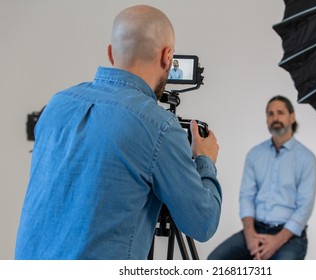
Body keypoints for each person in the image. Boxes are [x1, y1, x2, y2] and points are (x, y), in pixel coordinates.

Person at [15, 5, 222, 260]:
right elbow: (202, 224)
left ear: (111, 53)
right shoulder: (158, 125)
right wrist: (205, 160)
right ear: (167, 56)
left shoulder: (57, 104)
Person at [208, 95, 316, 260]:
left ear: (292, 117)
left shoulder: (306, 159)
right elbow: (246, 196)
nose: (275, 118)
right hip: (254, 229)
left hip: (289, 235)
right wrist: (250, 235)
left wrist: (277, 241)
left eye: (280, 112)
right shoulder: (255, 154)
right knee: (214, 261)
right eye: (270, 113)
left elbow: (304, 208)